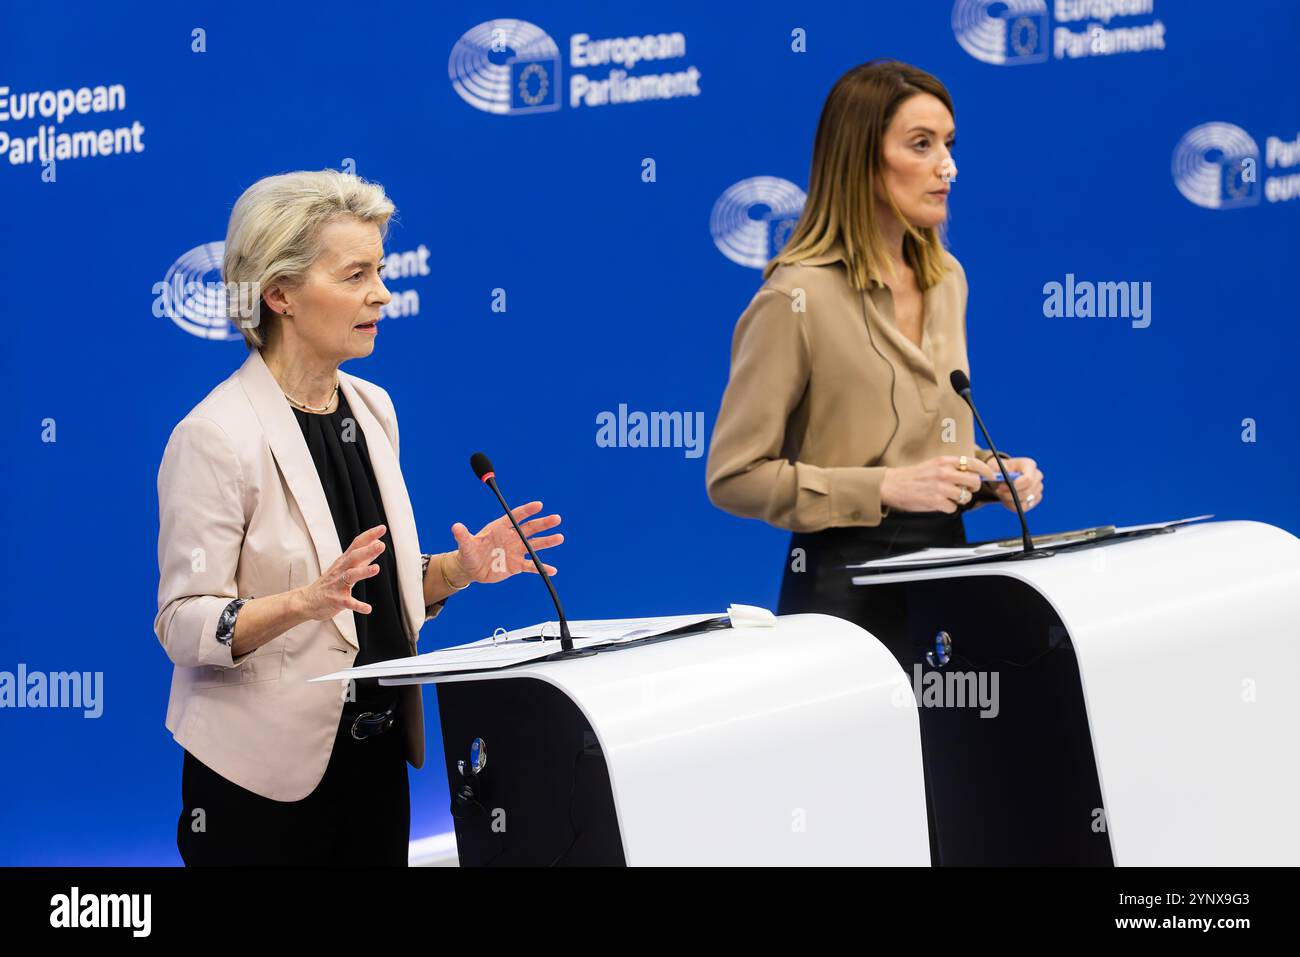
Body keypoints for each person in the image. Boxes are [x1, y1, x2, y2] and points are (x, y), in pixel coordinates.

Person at [154, 169, 564, 865]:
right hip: (262, 784)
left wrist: (455, 571)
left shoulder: (372, 408)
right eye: (354, 276)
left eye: (379, 270)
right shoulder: (215, 435)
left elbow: (366, 592)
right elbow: (183, 622)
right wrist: (298, 602)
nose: (381, 292)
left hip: (374, 764)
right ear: (279, 294)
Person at [705, 60, 1045, 665]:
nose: (948, 167)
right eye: (921, 145)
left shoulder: (948, 281)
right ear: (861, 158)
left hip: (952, 580)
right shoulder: (795, 298)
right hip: (844, 598)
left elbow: (928, 456)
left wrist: (989, 478)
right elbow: (734, 477)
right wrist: (884, 486)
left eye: (949, 144)